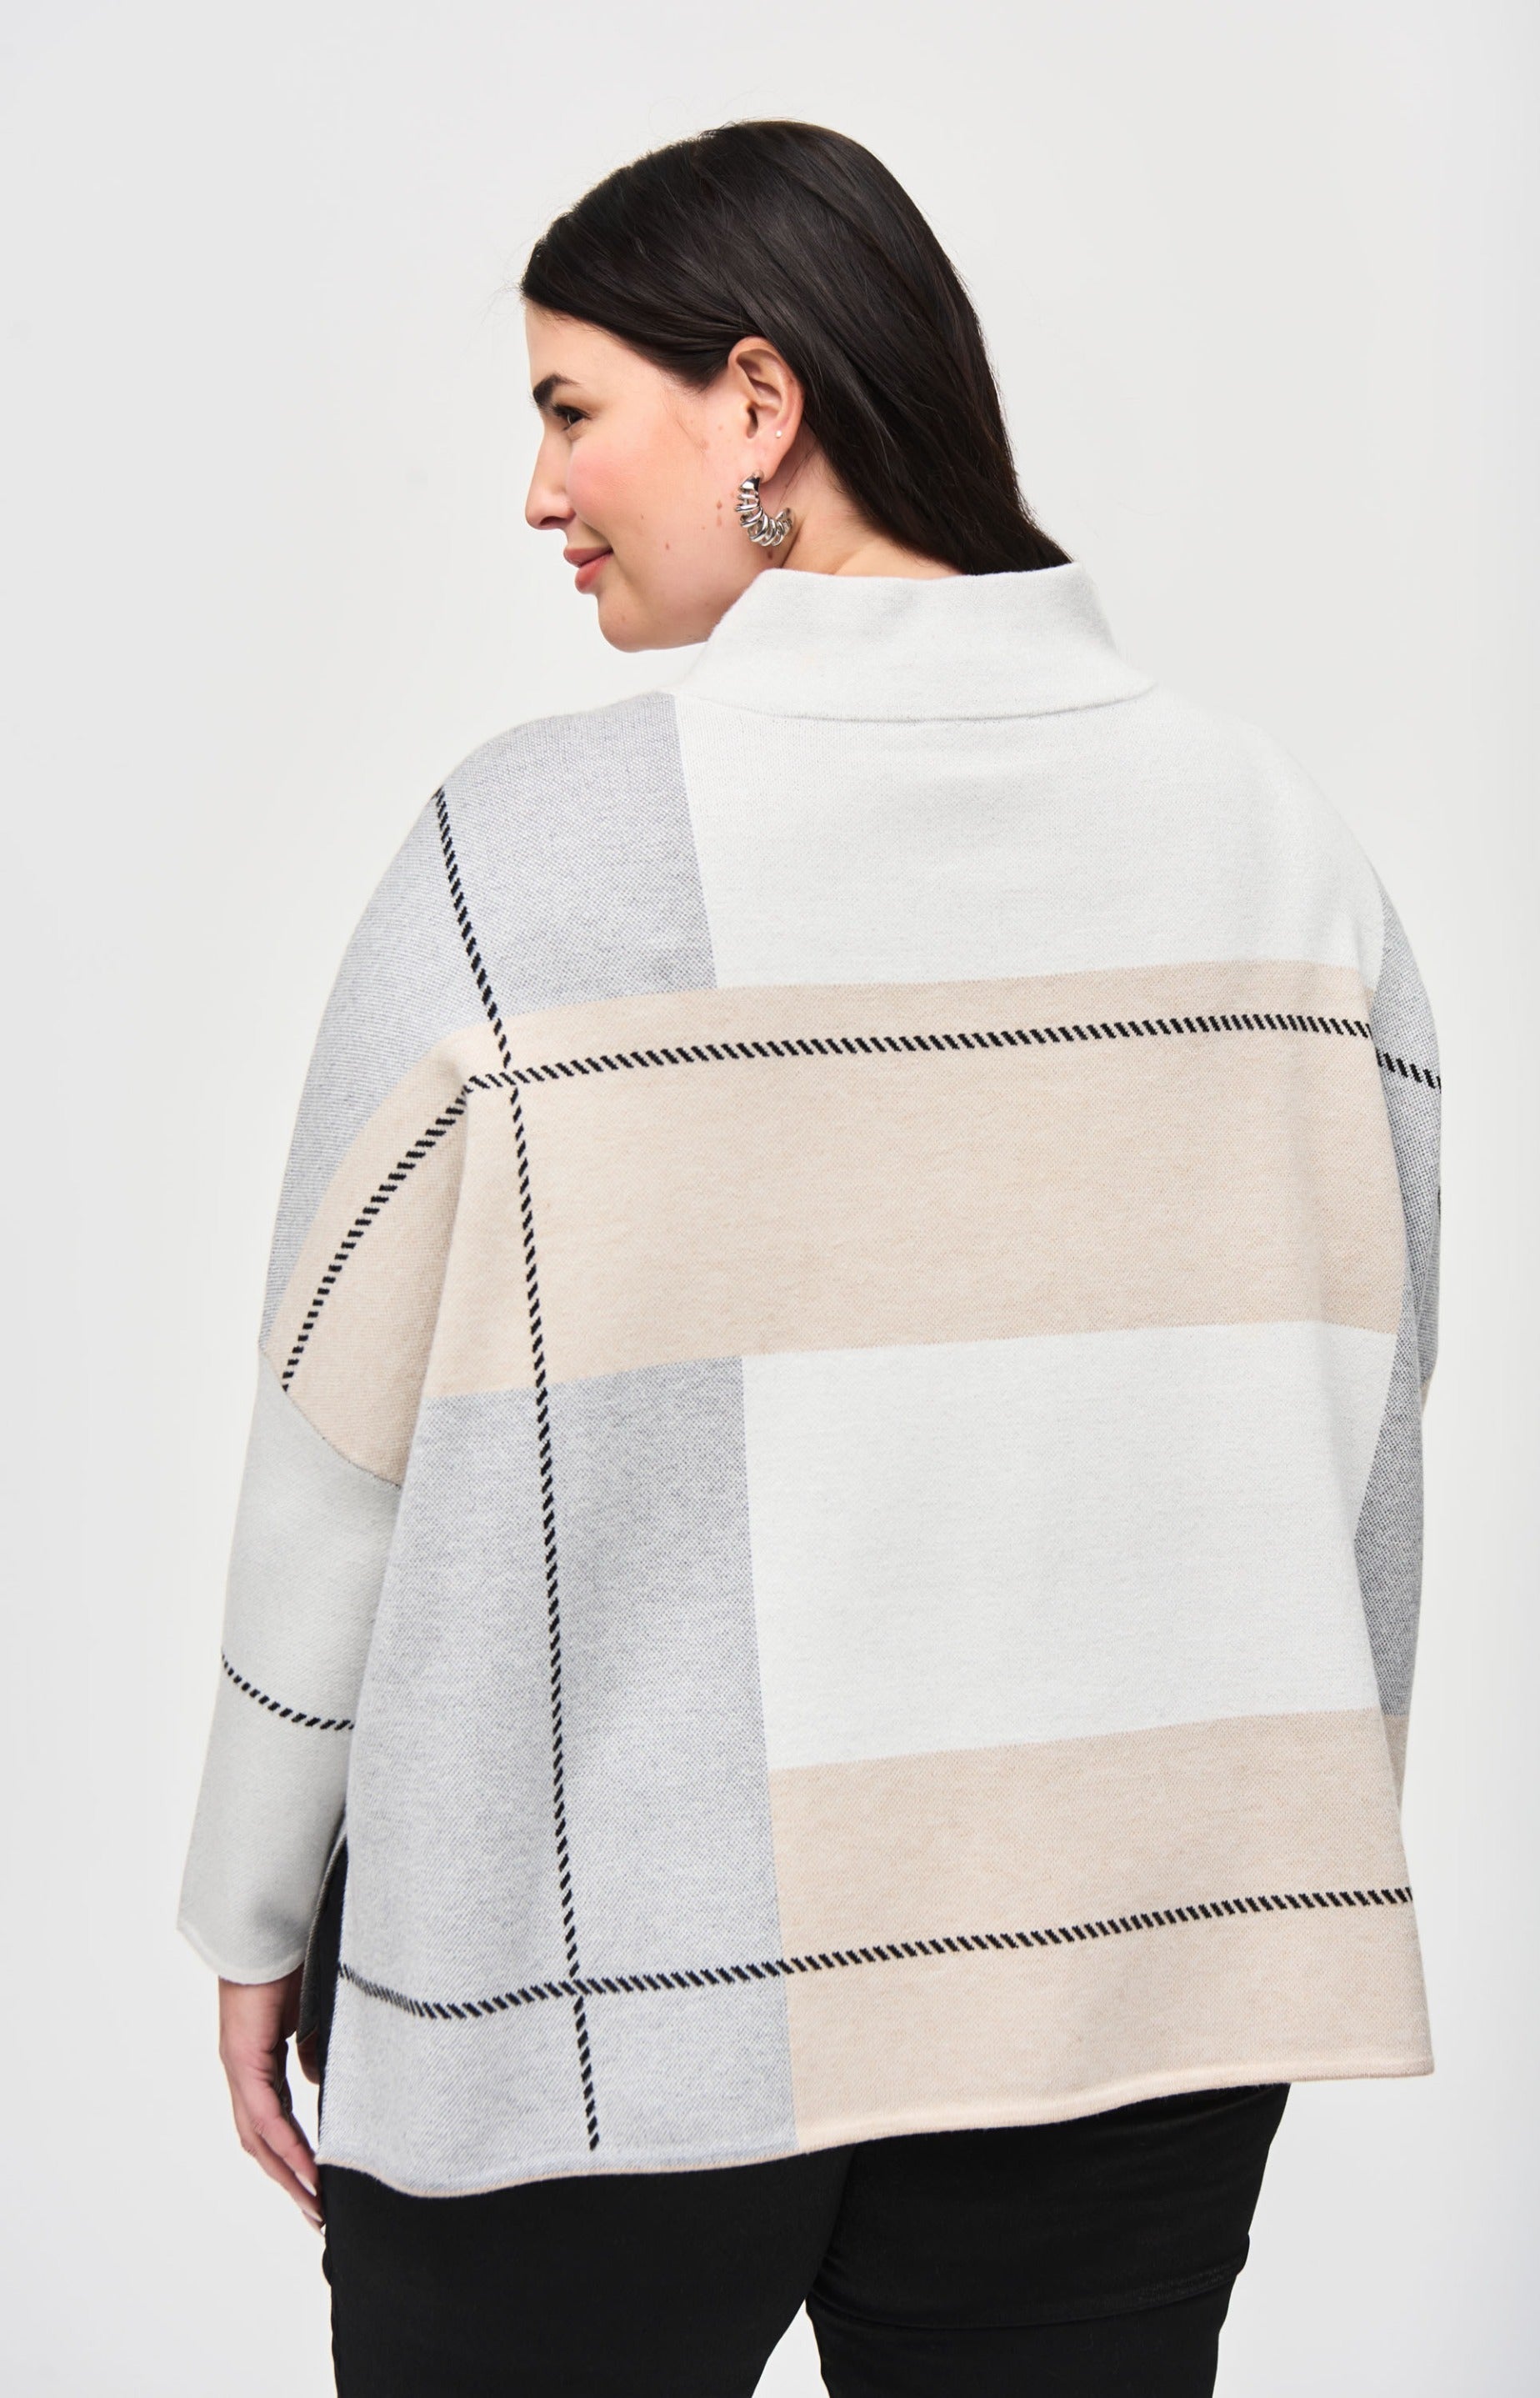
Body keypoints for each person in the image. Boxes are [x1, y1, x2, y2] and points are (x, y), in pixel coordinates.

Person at [178, 118, 1442, 2397]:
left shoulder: (526, 857)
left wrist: (258, 1905)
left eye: (572, 409)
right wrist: (1271, 1877)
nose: (540, 493)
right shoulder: (1285, 858)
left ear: (757, 404)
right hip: (1125, 1980)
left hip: (595, 1982)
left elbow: (330, 1463)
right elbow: (1367, 1423)